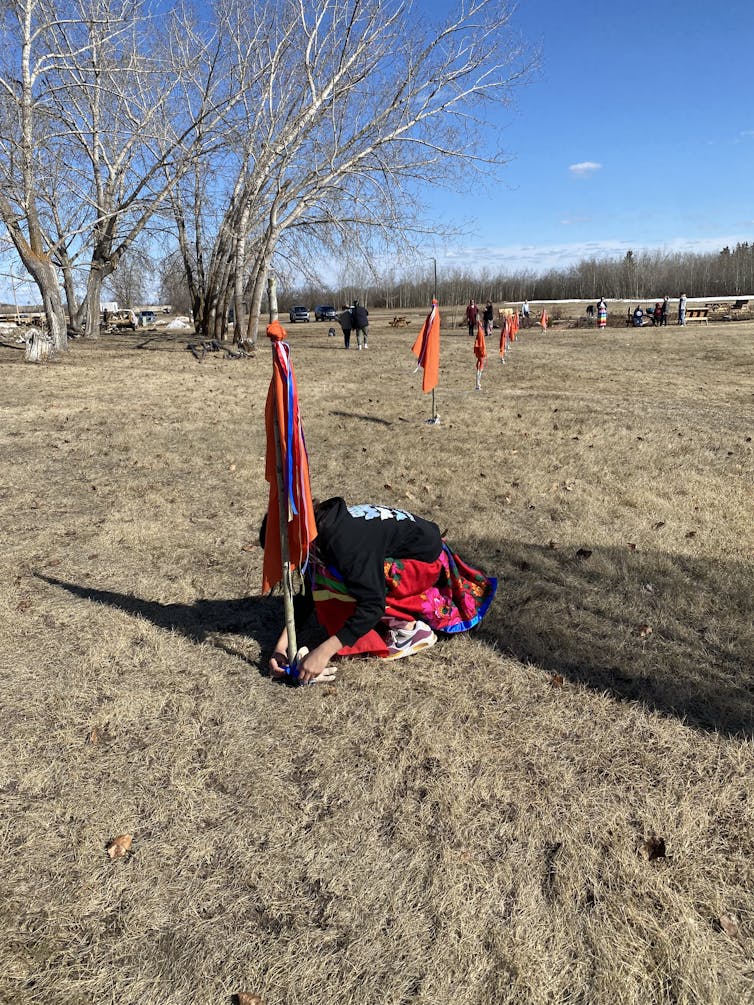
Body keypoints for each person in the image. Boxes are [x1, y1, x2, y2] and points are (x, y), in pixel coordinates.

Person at [264, 498, 497, 683]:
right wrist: (281, 647)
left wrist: (323, 652)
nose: (289, 567)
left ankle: (408, 630)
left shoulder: (344, 546)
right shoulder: (315, 530)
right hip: (406, 552)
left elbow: (372, 605)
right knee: (325, 576)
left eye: (287, 561)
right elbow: (308, 596)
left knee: (340, 580)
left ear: (295, 543)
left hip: (425, 563)